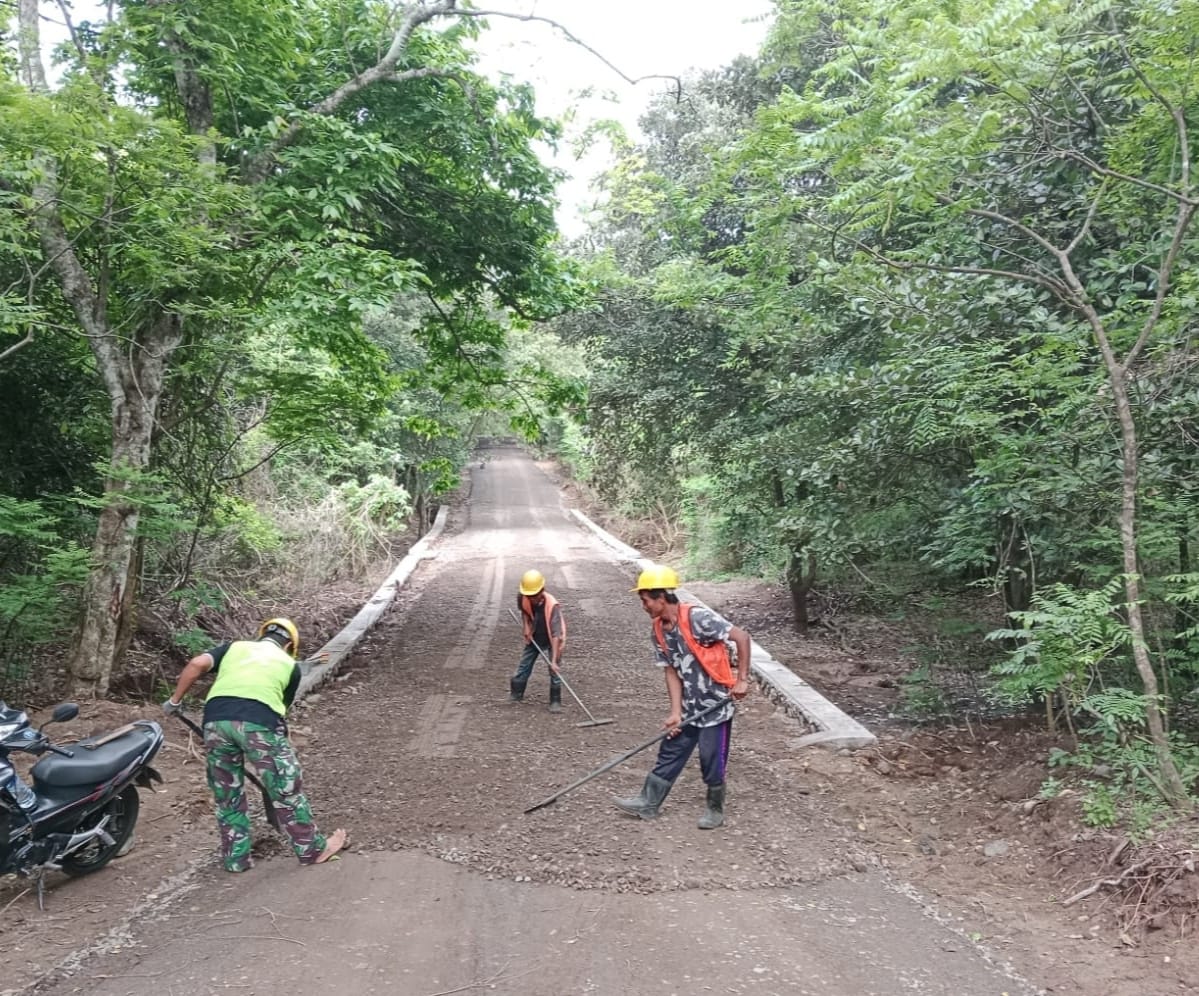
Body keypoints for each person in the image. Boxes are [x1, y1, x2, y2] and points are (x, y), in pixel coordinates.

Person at [162, 617, 347, 872]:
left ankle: (236, 860)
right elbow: (282, 707)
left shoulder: (233, 648)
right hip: (259, 724)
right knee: (285, 787)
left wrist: (174, 701)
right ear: (289, 646)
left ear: (260, 635)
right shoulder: (290, 665)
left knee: (228, 794)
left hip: (215, 722)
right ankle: (313, 850)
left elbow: (196, 663)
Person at [614, 565, 751, 829]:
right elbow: (671, 672)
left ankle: (715, 808)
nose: (643, 606)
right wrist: (676, 712)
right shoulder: (658, 631)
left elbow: (741, 637)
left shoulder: (698, 619)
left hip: (716, 707)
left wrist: (742, 679)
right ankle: (648, 802)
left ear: (661, 598)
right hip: (690, 709)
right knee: (670, 751)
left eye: (645, 601)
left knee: (712, 759)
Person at [510, 569, 566, 712]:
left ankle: (555, 700)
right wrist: (526, 627)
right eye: (529, 596)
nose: (532, 599)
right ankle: (516, 693)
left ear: (542, 590)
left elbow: (556, 635)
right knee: (524, 664)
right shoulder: (523, 596)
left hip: (554, 638)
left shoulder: (552, 606)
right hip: (535, 635)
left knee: (555, 670)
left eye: (534, 595)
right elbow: (524, 611)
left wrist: (553, 661)